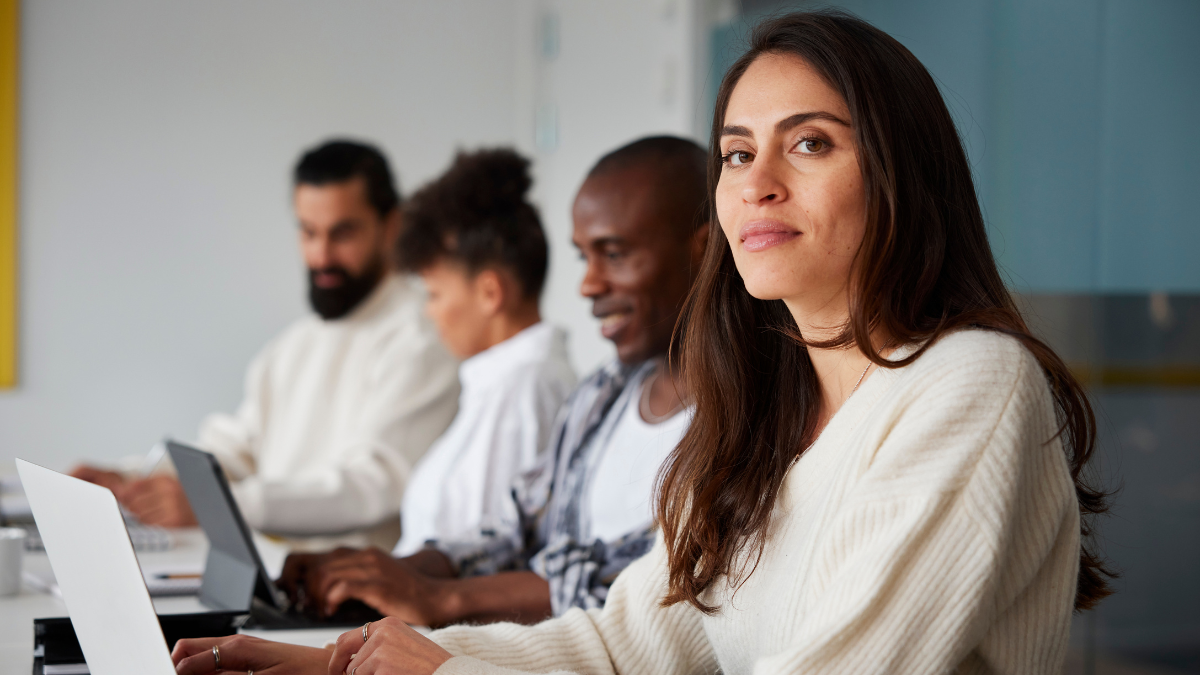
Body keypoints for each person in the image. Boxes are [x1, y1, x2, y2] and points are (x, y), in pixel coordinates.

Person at [171, 10, 1114, 675]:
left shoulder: (970, 384)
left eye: (812, 144)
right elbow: (625, 644)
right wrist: (343, 659)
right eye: (739, 152)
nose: (757, 182)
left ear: (902, 176)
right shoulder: (766, 402)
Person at [275, 136, 709, 627]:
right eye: (584, 258)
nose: (588, 285)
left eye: (614, 254)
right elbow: (517, 525)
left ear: (706, 247)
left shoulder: (745, 422)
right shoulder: (601, 395)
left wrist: (437, 596)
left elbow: (639, 582)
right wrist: (382, 570)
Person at [73, 140, 460, 549]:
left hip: (358, 602)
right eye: (308, 232)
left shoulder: (426, 335)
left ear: (391, 226)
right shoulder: (293, 346)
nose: (321, 255)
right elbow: (237, 452)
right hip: (278, 581)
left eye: (342, 233)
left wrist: (216, 506)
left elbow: (375, 485)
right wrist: (134, 480)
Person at [283, 147, 578, 600]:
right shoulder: (499, 382)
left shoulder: (526, 389)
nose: (430, 312)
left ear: (489, 292)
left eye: (435, 294)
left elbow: (488, 562)